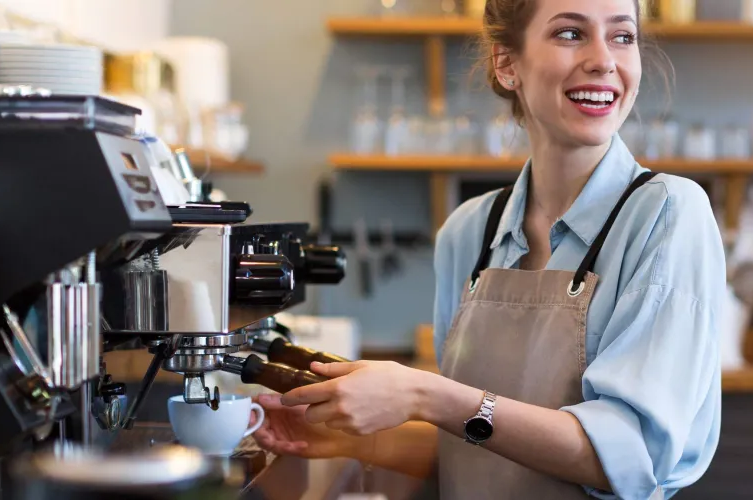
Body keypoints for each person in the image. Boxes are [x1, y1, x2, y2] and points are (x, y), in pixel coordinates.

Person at [251, 0, 725, 497]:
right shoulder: (470, 231)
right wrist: (351, 440)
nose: (604, 60)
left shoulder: (667, 213)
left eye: (622, 37)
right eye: (570, 34)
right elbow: (476, 444)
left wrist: (425, 393)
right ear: (507, 64)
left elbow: (630, 458)